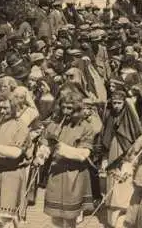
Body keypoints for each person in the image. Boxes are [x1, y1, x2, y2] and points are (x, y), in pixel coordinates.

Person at [42, 93, 96, 228]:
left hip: (74, 175)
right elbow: (46, 145)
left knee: (70, 218)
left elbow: (83, 154)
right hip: (56, 172)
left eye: (70, 108)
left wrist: (60, 147)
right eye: (64, 107)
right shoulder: (54, 124)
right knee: (55, 218)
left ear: (77, 109)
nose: (66, 112)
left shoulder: (86, 127)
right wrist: (43, 152)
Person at [0, 94, 32, 228]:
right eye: (0, 108)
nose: (2, 111)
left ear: (15, 107)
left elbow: (15, 153)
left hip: (11, 174)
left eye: (6, 108)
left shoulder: (21, 126)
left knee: (7, 217)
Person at [100, 90, 142, 228]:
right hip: (112, 149)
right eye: (114, 103)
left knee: (122, 181)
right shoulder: (109, 115)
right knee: (111, 179)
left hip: (125, 151)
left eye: (119, 103)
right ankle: (110, 217)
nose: (117, 106)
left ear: (124, 103)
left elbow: (136, 134)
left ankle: (123, 214)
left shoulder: (129, 116)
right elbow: (105, 134)